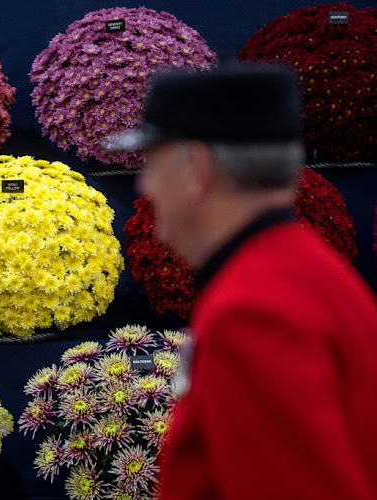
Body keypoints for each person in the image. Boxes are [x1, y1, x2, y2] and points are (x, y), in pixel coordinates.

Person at [105, 65, 377, 498]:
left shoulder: (253, 312)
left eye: (151, 163)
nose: (144, 185)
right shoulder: (311, 272)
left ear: (196, 169)